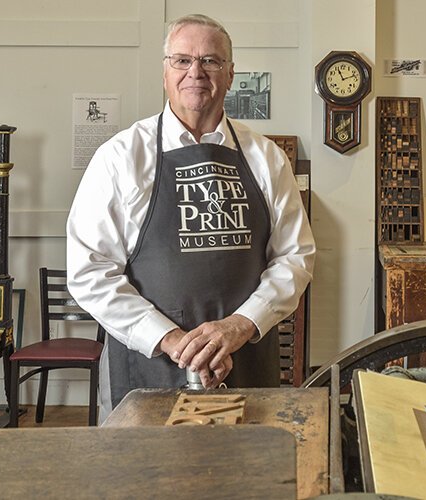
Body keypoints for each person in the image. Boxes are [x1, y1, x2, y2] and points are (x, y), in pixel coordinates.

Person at [66, 14, 314, 408]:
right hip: (148, 368)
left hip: (244, 359)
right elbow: (90, 272)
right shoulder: (119, 157)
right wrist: (173, 341)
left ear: (230, 74)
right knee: (146, 469)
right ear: (165, 72)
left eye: (211, 61)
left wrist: (239, 325)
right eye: (182, 60)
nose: (195, 72)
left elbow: (295, 258)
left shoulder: (266, 158)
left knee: (250, 467)